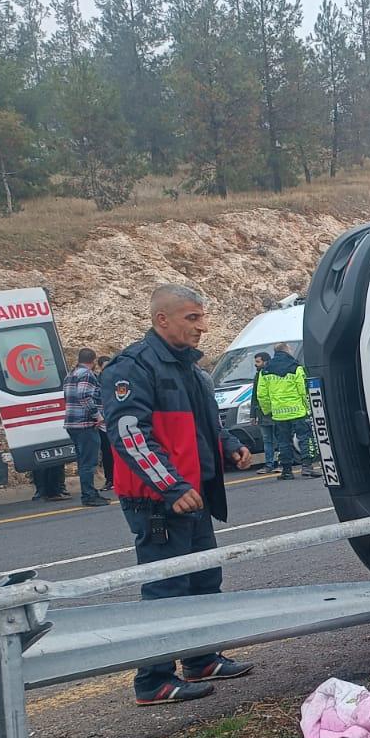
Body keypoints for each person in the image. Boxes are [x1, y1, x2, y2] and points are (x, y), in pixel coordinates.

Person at [101, 283, 255, 704]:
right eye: (193, 318)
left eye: (202, 317)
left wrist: (230, 446)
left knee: (205, 579)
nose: (202, 326)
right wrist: (170, 485)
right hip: (158, 500)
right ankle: (152, 681)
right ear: (161, 319)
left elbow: (210, 424)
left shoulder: (191, 369)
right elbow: (130, 435)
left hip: (194, 495)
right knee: (165, 589)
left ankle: (201, 658)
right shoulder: (132, 367)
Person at [255, 343, 315, 479]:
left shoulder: (265, 370)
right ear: (287, 350)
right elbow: (303, 390)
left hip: (279, 413)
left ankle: (287, 471)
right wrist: (307, 408)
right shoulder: (296, 367)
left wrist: (268, 410)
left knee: (283, 442)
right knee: (305, 438)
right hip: (298, 411)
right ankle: (307, 467)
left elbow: (261, 395)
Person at [63, 346, 110, 507]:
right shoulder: (87, 375)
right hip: (85, 423)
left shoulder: (70, 375)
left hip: (72, 422)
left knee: (83, 460)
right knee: (89, 462)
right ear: (93, 361)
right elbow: (84, 395)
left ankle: (89, 492)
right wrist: (97, 416)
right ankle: (89, 495)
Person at [249, 352, 276, 471]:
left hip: (275, 412)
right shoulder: (258, 375)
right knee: (267, 440)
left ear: (265, 361)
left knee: (279, 439)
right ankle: (270, 464)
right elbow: (255, 395)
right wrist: (253, 415)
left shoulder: (273, 373)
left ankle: (282, 464)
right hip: (262, 413)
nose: (256, 365)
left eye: (258, 362)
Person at [92, 354, 114, 488]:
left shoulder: (116, 378)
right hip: (103, 424)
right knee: (107, 453)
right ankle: (110, 479)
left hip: (114, 421)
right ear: (100, 368)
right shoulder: (97, 381)